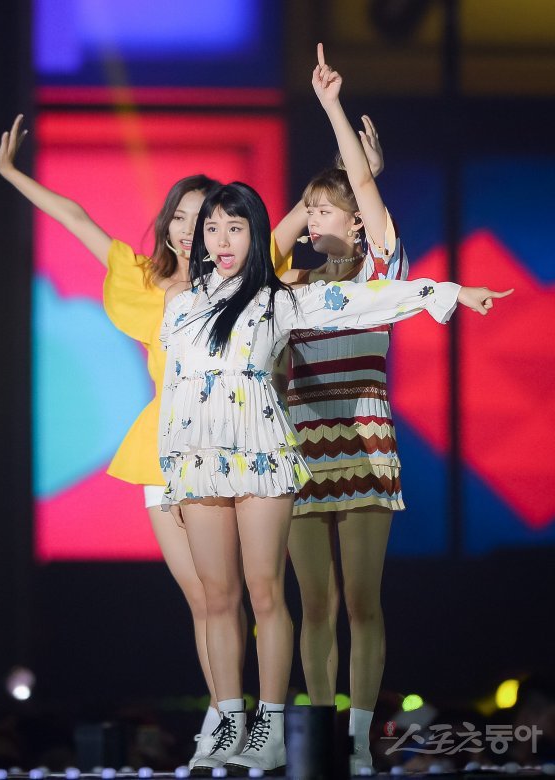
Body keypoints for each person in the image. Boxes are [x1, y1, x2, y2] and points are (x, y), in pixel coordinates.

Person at [158, 168, 511, 772]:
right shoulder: (181, 306)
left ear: (257, 234)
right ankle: (228, 722)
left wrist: (449, 292)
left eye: (235, 227)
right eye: (211, 228)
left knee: (266, 591)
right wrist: (171, 470)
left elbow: (367, 297)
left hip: (263, 455)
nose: (219, 238)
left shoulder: (279, 299)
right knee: (218, 596)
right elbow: (175, 391)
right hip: (198, 463)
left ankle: (272, 729)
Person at [0, 118, 292, 768]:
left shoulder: (240, 282)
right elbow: (76, 218)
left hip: (227, 446)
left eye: (203, 218)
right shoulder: (143, 279)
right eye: (180, 216)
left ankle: (247, 723)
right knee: (205, 597)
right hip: (160, 447)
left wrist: (347, 177)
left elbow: (285, 229)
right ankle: (225, 715)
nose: (189, 229)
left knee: (240, 592)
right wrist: (12, 173)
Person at [271, 46, 409, 774]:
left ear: (357, 224)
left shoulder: (382, 273)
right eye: (309, 210)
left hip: (362, 446)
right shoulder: (287, 289)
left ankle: (357, 739)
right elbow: (264, 249)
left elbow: (359, 185)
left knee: (362, 603)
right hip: (301, 453)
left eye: (325, 210)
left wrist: (330, 105)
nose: (312, 219)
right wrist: (309, 209)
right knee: (314, 606)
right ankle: (322, 736)